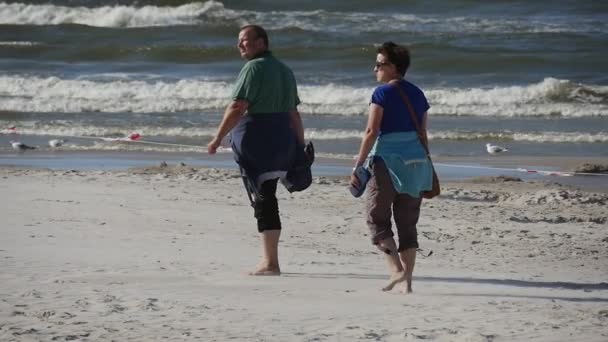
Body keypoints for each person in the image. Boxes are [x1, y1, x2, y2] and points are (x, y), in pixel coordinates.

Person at [207, 25, 305, 276]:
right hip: (283, 139)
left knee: (263, 198)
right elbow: (294, 113)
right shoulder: (284, 69)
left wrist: (217, 138)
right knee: (268, 196)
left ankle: (270, 263)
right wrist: (299, 145)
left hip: (259, 139)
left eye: (246, 41)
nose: (240, 45)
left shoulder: (253, 68)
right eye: (239, 41)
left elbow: (238, 106)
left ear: (262, 43)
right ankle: (270, 259)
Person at [350, 42, 433, 293]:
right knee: (408, 224)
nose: (375, 68)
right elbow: (423, 132)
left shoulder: (381, 93)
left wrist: (358, 164)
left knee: (376, 218)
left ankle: (396, 270)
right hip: (417, 163)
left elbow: (371, 131)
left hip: (387, 161)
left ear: (394, 67)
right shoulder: (419, 94)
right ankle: (406, 284)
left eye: (380, 64)